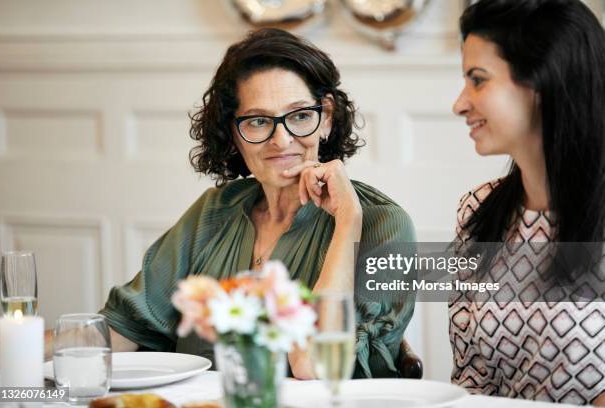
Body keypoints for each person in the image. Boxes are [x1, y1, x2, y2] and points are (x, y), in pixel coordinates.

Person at [97, 28, 415, 379]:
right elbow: (123, 329)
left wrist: (347, 221)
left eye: (299, 116)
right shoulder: (214, 212)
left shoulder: (384, 225)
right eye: (259, 121)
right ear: (234, 133)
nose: (281, 140)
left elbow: (315, 365)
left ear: (325, 117)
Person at [449, 0, 605, 404]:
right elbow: (470, 382)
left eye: (478, 80)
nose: (460, 104)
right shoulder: (476, 213)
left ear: (542, 81)